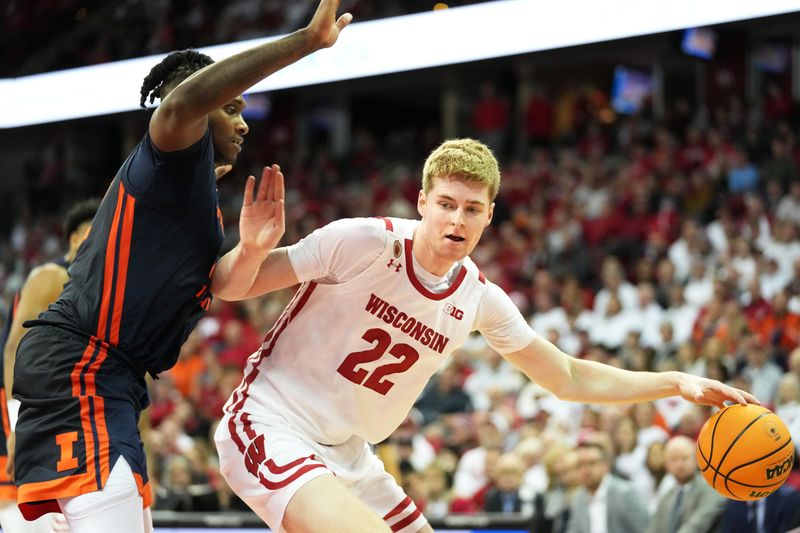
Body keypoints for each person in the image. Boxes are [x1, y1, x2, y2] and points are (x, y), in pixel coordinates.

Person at [210, 137, 758, 533]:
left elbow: (565, 376)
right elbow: (230, 287)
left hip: (349, 453)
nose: (457, 219)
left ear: (489, 216)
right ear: (422, 202)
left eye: (472, 209)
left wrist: (674, 381)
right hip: (270, 421)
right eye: (446, 204)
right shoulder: (360, 243)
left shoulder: (478, 298)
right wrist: (254, 247)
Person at [10, 2, 352, 531]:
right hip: (82, 365)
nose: (242, 124)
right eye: (231, 108)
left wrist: (256, 246)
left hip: (110, 377)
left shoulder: (198, 205)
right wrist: (304, 42)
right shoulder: (167, 157)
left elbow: (226, 284)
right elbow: (181, 104)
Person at [1, 199, 99, 532]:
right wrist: (16, 423)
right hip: (21, 408)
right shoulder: (51, 276)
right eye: (94, 233)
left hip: (62, 415)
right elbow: (15, 347)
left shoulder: (100, 287)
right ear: (74, 239)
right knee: (20, 513)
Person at [565, 440, 649, 533]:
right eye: (580, 465)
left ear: (606, 465)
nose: (585, 470)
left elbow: (648, 529)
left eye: (592, 463)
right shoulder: (579, 498)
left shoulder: (624, 494)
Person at [646, 435, 725, 533]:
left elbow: (697, 525)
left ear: (696, 459)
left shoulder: (711, 490)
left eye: (684, 458)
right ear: (666, 464)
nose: (679, 465)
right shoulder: (665, 498)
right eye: (673, 459)